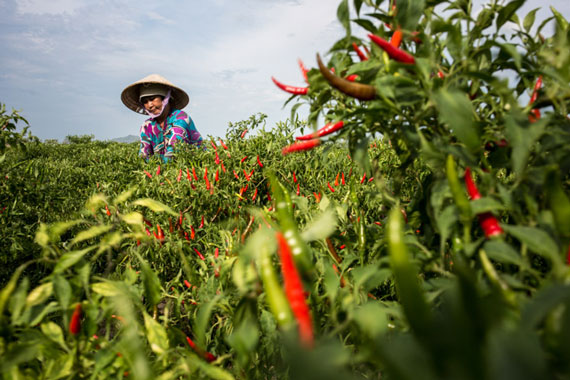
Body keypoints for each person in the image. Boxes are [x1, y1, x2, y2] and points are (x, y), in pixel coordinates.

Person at [121, 74, 203, 162]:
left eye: (152, 99)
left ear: (165, 98)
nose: (149, 105)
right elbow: (144, 156)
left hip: (192, 168)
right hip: (163, 171)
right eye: (145, 102)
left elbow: (174, 154)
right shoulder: (147, 126)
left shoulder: (180, 118)